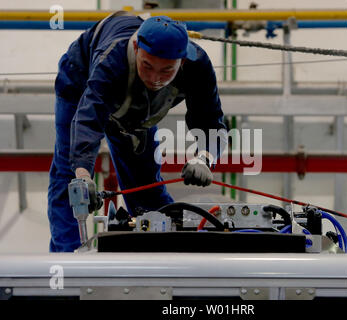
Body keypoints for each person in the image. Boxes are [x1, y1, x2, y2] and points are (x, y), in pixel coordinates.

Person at [47, 12, 227, 252]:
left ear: (182, 62)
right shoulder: (110, 61)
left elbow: (212, 122)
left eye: (166, 71)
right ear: (135, 46)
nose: (155, 78)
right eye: (148, 65)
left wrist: (204, 158)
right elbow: (88, 122)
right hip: (79, 81)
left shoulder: (198, 66)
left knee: (146, 189)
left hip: (137, 108)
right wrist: (82, 176)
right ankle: (66, 261)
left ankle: (166, 257)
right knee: (71, 181)